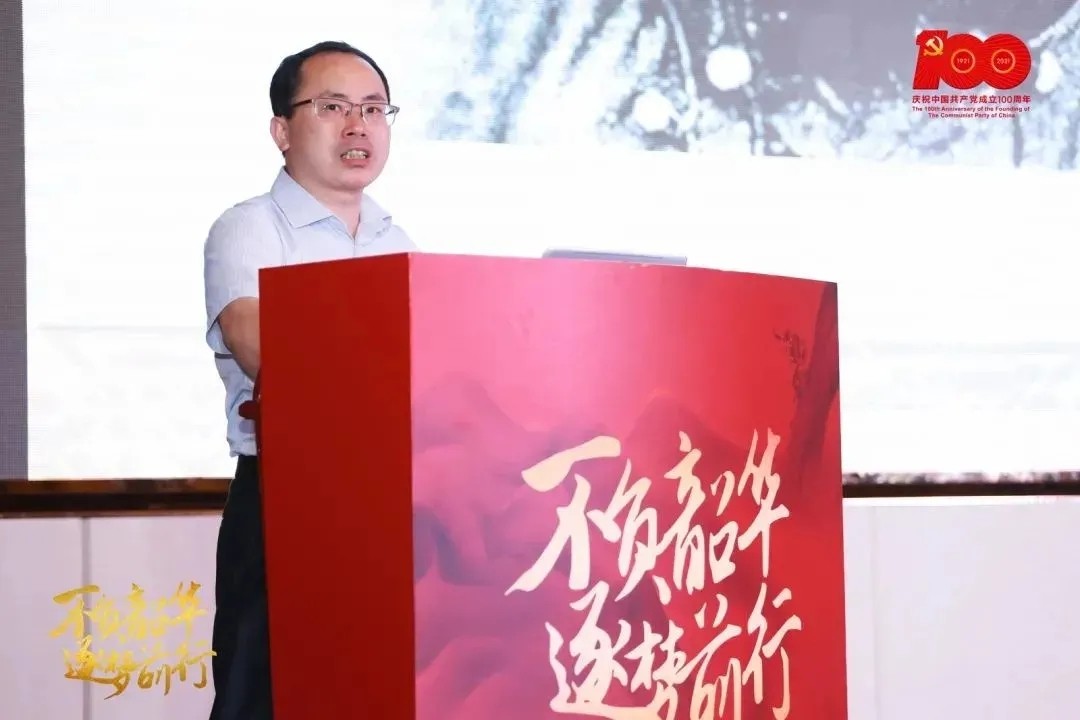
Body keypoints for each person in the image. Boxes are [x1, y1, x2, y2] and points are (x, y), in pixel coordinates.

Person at [202, 40, 415, 719]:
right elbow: (260, 344)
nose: (358, 126)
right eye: (333, 107)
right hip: (288, 499)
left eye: (374, 109)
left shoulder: (398, 243)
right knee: (264, 696)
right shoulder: (249, 229)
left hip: (392, 506)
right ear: (282, 130)